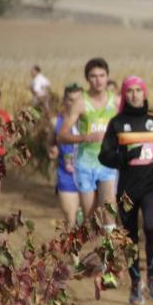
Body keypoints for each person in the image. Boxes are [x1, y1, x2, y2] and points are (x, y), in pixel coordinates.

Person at [99, 76, 153, 305]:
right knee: (130, 236)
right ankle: (135, 283)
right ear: (124, 95)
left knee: (151, 225)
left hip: (152, 185)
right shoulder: (117, 123)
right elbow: (104, 156)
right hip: (127, 188)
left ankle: (152, 279)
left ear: (144, 93)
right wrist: (124, 156)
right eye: (129, 91)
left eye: (138, 90)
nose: (134, 95)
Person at [57, 58, 118, 232]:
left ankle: (108, 257)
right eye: (93, 76)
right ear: (87, 79)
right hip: (85, 164)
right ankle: (90, 231)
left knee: (109, 211)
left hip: (108, 163)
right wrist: (86, 137)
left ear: (107, 77)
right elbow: (62, 135)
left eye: (102, 75)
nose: (98, 80)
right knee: (91, 218)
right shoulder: (81, 103)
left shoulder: (116, 102)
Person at [49, 84, 83, 228]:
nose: (74, 103)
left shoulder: (91, 120)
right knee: (71, 219)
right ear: (64, 100)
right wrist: (52, 149)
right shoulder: (56, 122)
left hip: (91, 175)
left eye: (77, 99)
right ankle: (72, 249)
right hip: (67, 175)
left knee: (92, 222)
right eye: (70, 99)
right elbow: (50, 142)